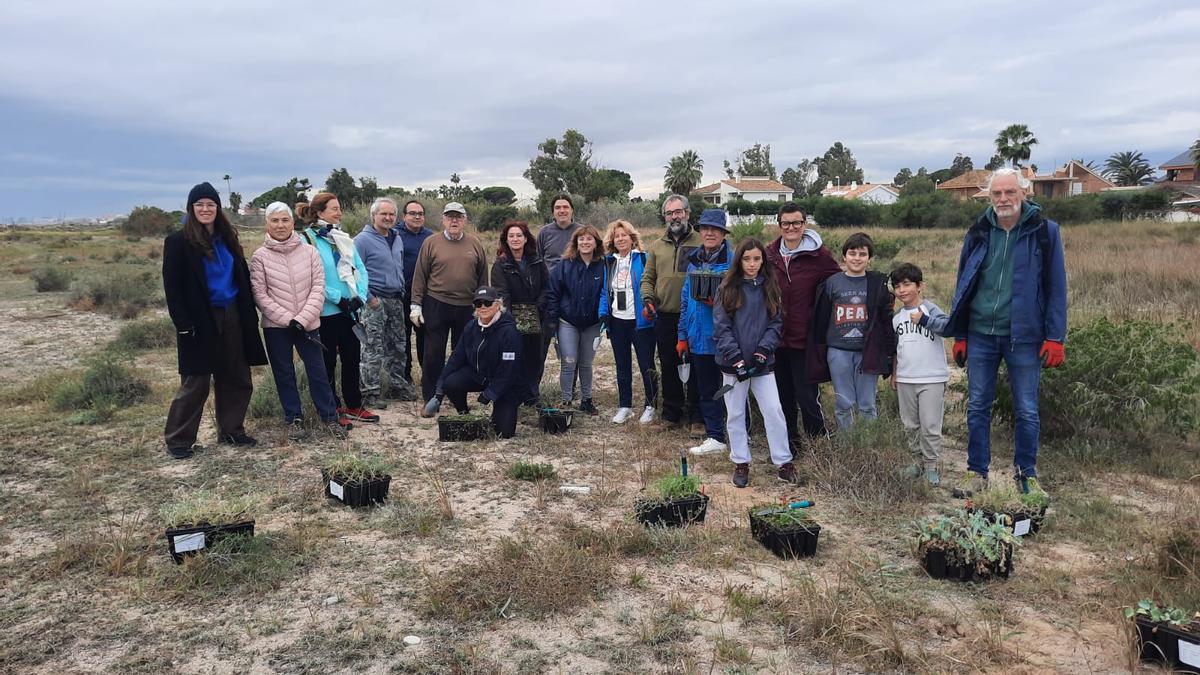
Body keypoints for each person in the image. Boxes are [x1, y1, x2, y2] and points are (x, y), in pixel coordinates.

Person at [948, 168, 1067, 498]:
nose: (1003, 199)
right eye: (997, 193)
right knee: (977, 407)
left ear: (1023, 194)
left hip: (1025, 336)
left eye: (1009, 192)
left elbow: (1057, 287)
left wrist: (1056, 338)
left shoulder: (1045, 232)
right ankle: (976, 472)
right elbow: (963, 284)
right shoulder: (978, 232)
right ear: (989, 197)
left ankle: (1026, 475)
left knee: (1026, 408)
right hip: (981, 333)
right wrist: (960, 333)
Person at [162, 182, 268, 459]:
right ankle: (179, 440)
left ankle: (232, 430)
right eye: (200, 205)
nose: (206, 209)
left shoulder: (228, 237)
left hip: (232, 312)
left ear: (218, 209)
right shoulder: (177, 242)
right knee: (195, 381)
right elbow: (172, 289)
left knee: (237, 375)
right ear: (191, 208)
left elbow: (241, 276)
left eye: (211, 204)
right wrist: (183, 325)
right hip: (199, 318)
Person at [249, 202, 350, 441]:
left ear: (292, 223)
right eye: (275, 220)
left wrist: (303, 318)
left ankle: (329, 418)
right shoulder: (260, 257)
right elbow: (260, 295)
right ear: (267, 224)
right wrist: (288, 320)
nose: (280, 225)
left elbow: (318, 287)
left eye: (285, 220)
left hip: (309, 324)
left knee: (318, 371)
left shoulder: (309, 251)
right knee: (284, 373)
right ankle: (293, 418)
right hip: (277, 327)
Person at [713, 238, 797, 486]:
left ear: (763, 260)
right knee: (736, 413)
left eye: (757, 259)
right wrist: (737, 360)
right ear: (739, 260)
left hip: (762, 363)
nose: (752, 264)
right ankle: (741, 462)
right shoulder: (726, 288)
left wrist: (762, 353)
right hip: (733, 364)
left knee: (773, 410)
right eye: (747, 259)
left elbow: (776, 324)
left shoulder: (770, 287)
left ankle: (783, 462)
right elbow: (721, 327)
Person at [766, 203, 841, 446]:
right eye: (786, 223)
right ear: (779, 225)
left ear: (804, 224)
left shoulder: (820, 256)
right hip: (776, 337)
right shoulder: (770, 254)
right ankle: (790, 441)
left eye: (796, 223)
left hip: (805, 337)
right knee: (782, 395)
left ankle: (817, 440)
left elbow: (838, 285)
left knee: (807, 394)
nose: (791, 228)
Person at [299, 192, 377, 423]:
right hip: (325, 312)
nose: (339, 212)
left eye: (339, 208)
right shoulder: (306, 240)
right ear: (319, 212)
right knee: (328, 362)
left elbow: (360, 270)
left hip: (350, 311)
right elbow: (312, 277)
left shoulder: (343, 238)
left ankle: (354, 405)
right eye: (334, 208)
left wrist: (359, 296)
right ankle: (332, 408)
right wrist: (336, 298)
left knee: (352, 359)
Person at [807, 232, 895, 431]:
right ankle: (847, 447)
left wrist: (889, 351)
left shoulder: (876, 283)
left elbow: (885, 318)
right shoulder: (832, 283)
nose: (857, 258)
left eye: (862, 254)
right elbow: (821, 317)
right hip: (838, 351)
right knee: (844, 403)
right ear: (844, 257)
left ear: (869, 258)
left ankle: (867, 446)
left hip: (867, 351)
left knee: (867, 404)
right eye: (852, 253)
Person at [410, 202, 489, 411]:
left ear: (465, 220)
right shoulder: (431, 242)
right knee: (433, 353)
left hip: (466, 306)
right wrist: (415, 304)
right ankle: (431, 396)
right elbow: (420, 276)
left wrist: (482, 305)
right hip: (437, 303)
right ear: (443, 219)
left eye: (458, 217)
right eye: (450, 216)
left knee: (462, 354)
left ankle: (456, 394)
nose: (454, 221)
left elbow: (482, 277)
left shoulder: (475, 243)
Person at [639, 194, 702, 432]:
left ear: (687, 213)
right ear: (664, 217)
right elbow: (648, 279)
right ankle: (671, 414)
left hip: (695, 316)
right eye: (669, 213)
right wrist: (648, 299)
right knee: (668, 364)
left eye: (678, 211)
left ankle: (697, 416)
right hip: (665, 316)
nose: (674, 217)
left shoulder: (701, 242)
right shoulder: (656, 246)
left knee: (697, 364)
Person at [426, 287, 523, 438]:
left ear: (498, 305)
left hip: (505, 383)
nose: (483, 307)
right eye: (478, 303)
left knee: (504, 432)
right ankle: (465, 415)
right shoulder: (471, 327)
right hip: (478, 375)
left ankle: (501, 413)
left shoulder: (509, 332)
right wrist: (439, 389)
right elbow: (455, 358)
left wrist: (491, 393)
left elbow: (509, 370)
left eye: (488, 303)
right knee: (451, 383)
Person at [354, 197, 418, 409]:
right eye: (384, 214)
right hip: (374, 301)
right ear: (374, 216)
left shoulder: (396, 237)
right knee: (372, 347)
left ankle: (397, 386)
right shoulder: (362, 240)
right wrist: (369, 298)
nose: (388, 217)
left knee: (399, 346)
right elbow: (354, 273)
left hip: (396, 299)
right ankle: (369, 392)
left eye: (391, 214)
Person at [889, 262, 949, 487]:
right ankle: (917, 463)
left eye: (907, 284)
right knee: (910, 425)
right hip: (906, 378)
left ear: (919, 286)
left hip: (931, 378)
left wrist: (924, 320)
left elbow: (949, 326)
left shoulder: (930, 309)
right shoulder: (896, 317)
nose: (902, 290)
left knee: (930, 425)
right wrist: (895, 374)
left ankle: (931, 467)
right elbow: (896, 349)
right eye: (897, 286)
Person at [678, 209, 733, 455]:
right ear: (700, 232)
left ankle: (737, 433)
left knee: (731, 388)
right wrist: (682, 335)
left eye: (715, 229)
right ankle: (715, 436)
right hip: (698, 336)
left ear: (723, 233)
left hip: (726, 338)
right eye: (705, 228)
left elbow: (745, 299)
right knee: (707, 388)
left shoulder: (734, 262)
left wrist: (720, 303)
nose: (710, 233)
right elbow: (685, 300)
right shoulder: (693, 261)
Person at [598, 220, 657, 424]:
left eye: (625, 235)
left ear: (632, 238)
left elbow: (651, 285)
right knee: (622, 365)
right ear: (612, 240)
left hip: (641, 322)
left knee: (646, 364)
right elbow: (605, 292)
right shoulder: (609, 262)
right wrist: (603, 314)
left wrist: (651, 309)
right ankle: (625, 406)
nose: (621, 239)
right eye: (617, 236)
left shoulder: (644, 258)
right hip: (618, 322)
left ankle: (651, 405)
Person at [546, 224, 605, 414]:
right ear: (576, 242)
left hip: (592, 324)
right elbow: (553, 293)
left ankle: (587, 400)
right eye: (581, 239)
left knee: (586, 363)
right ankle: (566, 402)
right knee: (569, 362)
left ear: (596, 242)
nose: (585, 242)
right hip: (567, 322)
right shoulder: (564, 265)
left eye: (589, 239)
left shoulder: (604, 265)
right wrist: (553, 320)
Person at [491, 220, 550, 405]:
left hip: (536, 315)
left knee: (534, 357)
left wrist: (537, 309)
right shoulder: (500, 265)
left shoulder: (537, 261)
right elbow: (502, 295)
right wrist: (512, 318)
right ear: (505, 240)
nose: (515, 239)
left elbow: (546, 288)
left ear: (526, 239)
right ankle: (513, 395)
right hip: (511, 318)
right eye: (511, 236)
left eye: (519, 235)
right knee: (514, 357)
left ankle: (531, 395)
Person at [398, 199, 434, 385]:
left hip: (425, 296)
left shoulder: (431, 237)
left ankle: (428, 376)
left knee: (425, 338)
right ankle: (405, 377)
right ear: (404, 216)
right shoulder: (394, 235)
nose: (417, 216)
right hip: (401, 295)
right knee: (402, 338)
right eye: (413, 213)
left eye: (420, 213)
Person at [536, 194, 580, 271]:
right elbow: (538, 259)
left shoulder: (582, 231)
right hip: (551, 280)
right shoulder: (544, 232)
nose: (562, 211)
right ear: (553, 212)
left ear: (572, 210)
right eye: (557, 208)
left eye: (565, 207)